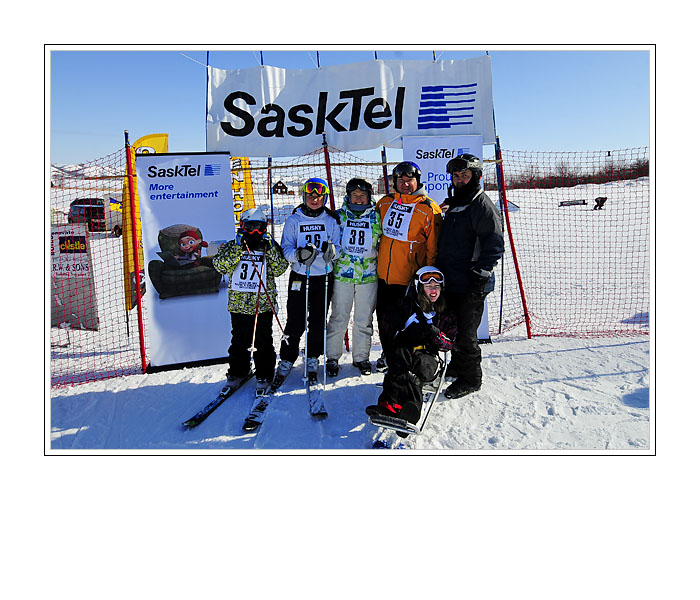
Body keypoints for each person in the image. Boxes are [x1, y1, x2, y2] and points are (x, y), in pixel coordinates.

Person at [438, 154, 504, 399]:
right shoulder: (456, 202)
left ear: (475, 177)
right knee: (453, 328)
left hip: (472, 281)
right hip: (452, 278)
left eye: (464, 175)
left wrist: (481, 274)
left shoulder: (481, 204)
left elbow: (494, 244)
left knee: (467, 333)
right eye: (456, 176)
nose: (459, 180)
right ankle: (457, 366)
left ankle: (471, 379)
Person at [366, 266, 457, 437]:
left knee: (414, 367)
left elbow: (448, 344)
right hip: (406, 350)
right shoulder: (408, 305)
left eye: (437, 287)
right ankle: (388, 405)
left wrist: (434, 332)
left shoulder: (445, 313)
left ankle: (411, 410)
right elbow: (394, 328)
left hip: (430, 358)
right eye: (429, 286)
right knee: (399, 360)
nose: (433, 290)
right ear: (420, 287)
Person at [212, 207, 289, 394]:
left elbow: (280, 268)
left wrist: (270, 248)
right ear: (242, 226)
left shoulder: (268, 246)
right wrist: (238, 247)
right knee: (239, 340)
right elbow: (220, 266)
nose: (254, 232)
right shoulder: (233, 245)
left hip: (262, 304)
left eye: (258, 227)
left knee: (263, 341)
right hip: (239, 304)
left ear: (265, 228)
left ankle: (264, 373)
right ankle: (238, 371)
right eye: (250, 227)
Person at [375, 161, 443, 372]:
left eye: (410, 180)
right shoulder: (384, 203)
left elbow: (434, 248)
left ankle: (405, 359)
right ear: (394, 181)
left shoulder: (429, 208)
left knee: (405, 322)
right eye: (401, 180)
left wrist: (427, 280)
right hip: (383, 276)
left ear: (418, 181)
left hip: (409, 279)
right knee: (383, 320)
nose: (405, 184)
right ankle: (388, 354)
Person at [273, 177, 341, 384]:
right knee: (295, 319)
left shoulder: (330, 221)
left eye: (319, 196)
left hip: (323, 276)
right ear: (304, 196)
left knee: (318, 320)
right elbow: (286, 249)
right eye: (310, 195)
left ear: (325, 198)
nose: (314, 199)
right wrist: (299, 255)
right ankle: (287, 357)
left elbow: (337, 245)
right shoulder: (295, 220)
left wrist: (333, 252)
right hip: (301, 276)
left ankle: (313, 357)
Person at [325, 178, 382, 377]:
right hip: (343, 275)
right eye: (354, 196)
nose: (358, 199)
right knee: (338, 317)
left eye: (362, 195)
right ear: (348, 197)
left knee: (363, 319)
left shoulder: (377, 217)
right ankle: (332, 357)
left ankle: (361, 358)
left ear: (369, 196)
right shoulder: (338, 217)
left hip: (368, 276)